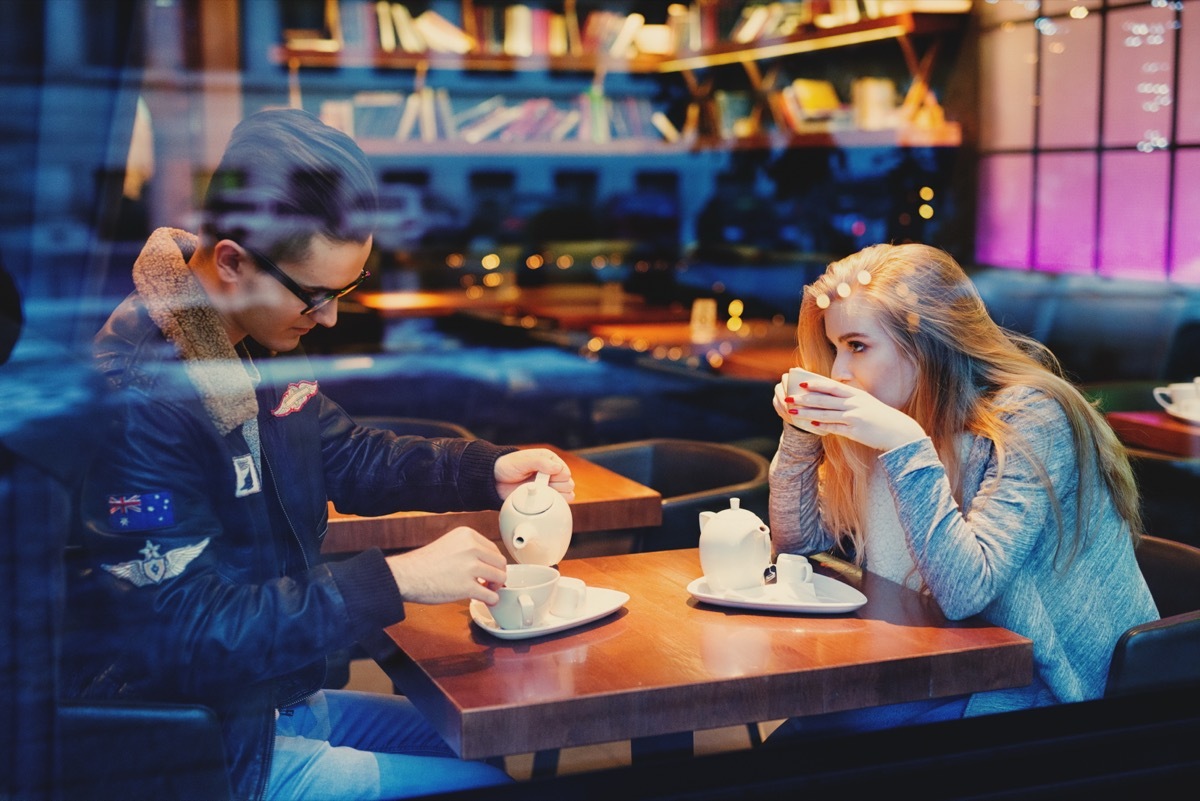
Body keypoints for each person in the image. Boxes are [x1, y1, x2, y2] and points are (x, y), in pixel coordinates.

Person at [63, 108, 574, 800]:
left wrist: (483, 467)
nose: (329, 316)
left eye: (346, 289)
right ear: (233, 262)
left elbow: (346, 452)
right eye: (317, 294)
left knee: (488, 740)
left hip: (275, 703)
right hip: (204, 745)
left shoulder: (244, 342)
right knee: (481, 781)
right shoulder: (141, 398)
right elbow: (188, 630)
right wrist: (394, 579)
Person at [767, 243, 1158, 738]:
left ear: (928, 341)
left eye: (858, 346)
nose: (839, 372)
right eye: (835, 348)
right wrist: (802, 432)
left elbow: (965, 591)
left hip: (1042, 690)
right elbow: (798, 546)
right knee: (806, 728)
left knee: (814, 735)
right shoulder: (887, 420)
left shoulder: (1030, 418)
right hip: (930, 664)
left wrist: (905, 444)